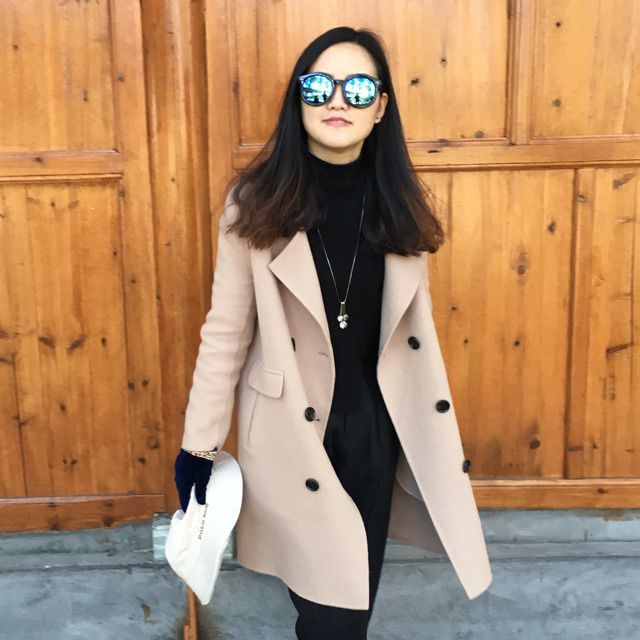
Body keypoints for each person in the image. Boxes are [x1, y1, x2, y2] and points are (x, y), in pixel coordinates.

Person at [174, 25, 491, 639]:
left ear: (381, 107)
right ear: (299, 100)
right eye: (319, 86)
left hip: (375, 433)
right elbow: (226, 331)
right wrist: (199, 447)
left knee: (351, 606)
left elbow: (410, 338)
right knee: (328, 615)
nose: (338, 100)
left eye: (358, 88)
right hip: (291, 434)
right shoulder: (255, 204)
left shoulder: (399, 203)